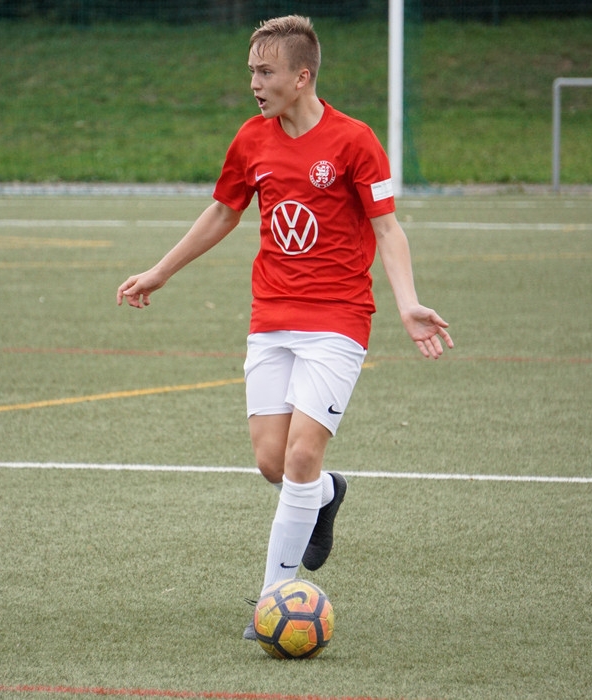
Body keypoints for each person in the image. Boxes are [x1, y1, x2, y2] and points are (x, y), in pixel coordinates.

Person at [116, 15, 452, 639]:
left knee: (300, 455)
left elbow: (387, 228)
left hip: (339, 319)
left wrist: (407, 302)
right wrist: (160, 272)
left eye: (265, 72)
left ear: (302, 76)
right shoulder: (252, 139)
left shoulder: (355, 141)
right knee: (273, 463)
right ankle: (325, 494)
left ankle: (273, 598)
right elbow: (223, 211)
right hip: (271, 317)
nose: (254, 83)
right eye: (251, 71)